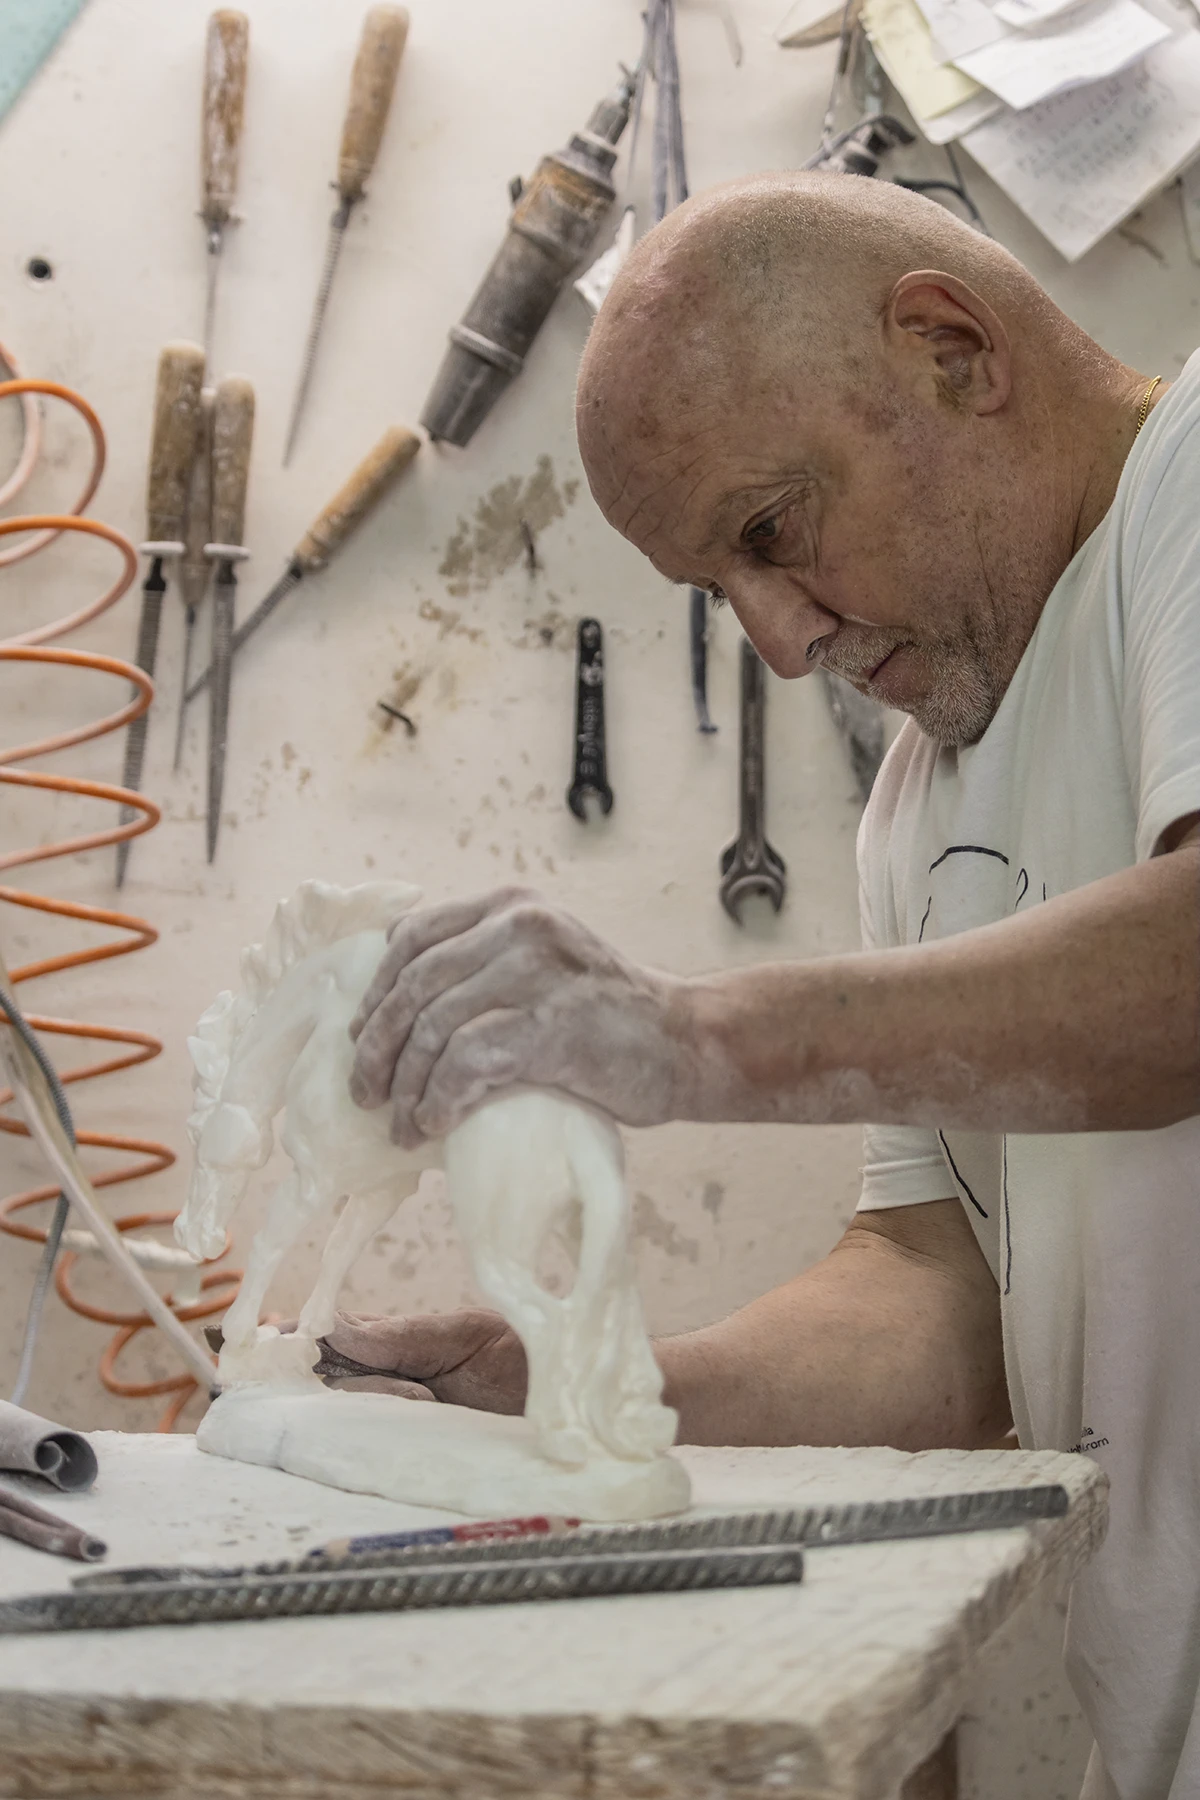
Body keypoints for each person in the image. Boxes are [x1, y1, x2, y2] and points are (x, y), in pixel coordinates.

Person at [336, 174, 1199, 1799]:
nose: (783, 645)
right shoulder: (919, 803)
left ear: (949, 347)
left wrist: (684, 1037)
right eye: (719, 595)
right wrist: (592, 1378)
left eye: (772, 534)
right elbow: (943, 1296)